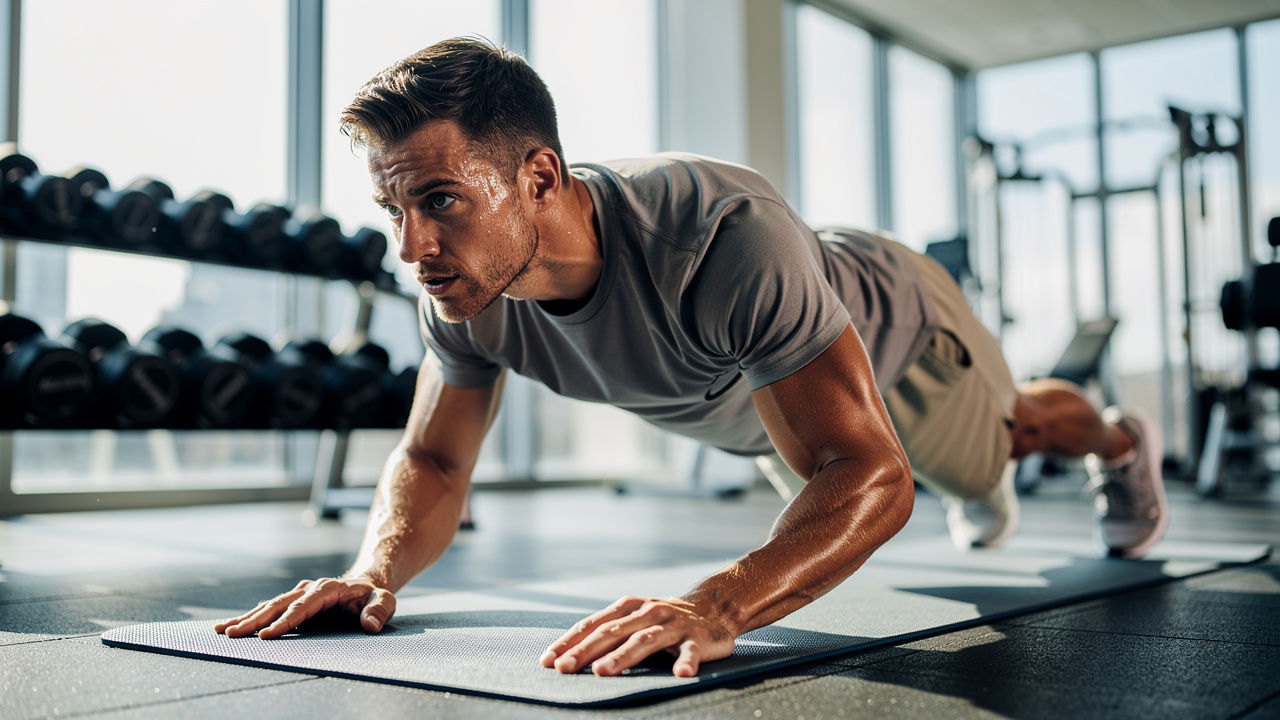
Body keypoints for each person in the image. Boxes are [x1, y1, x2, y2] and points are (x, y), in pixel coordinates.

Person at [213, 37, 1167, 678]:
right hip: (774, 385)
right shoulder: (466, 294)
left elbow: (871, 473)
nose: (410, 248)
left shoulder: (719, 239)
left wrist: (719, 605)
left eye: (441, 202)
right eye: (395, 212)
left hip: (906, 338)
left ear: (538, 176)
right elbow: (434, 458)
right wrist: (375, 571)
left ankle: (1119, 442)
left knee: (1012, 436)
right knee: (837, 462)